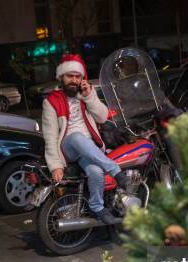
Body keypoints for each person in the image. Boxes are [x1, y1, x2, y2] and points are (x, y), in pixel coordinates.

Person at [42, 54, 129, 225]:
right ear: (61, 77)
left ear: (82, 78)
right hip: (69, 147)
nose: (74, 80)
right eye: (70, 76)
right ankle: (116, 172)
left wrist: (90, 96)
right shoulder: (52, 101)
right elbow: (50, 136)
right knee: (76, 137)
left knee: (96, 172)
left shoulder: (86, 95)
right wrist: (55, 166)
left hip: (88, 148)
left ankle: (97, 207)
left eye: (77, 76)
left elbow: (103, 117)